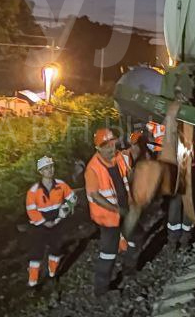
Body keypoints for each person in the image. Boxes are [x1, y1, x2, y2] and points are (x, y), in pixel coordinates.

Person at [85, 128, 133, 299]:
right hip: (108, 218)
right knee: (108, 253)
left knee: (132, 239)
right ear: (98, 148)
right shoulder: (93, 168)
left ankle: (129, 270)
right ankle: (101, 290)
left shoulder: (118, 158)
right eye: (107, 146)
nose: (112, 149)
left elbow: (129, 172)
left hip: (124, 210)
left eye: (113, 144)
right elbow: (95, 196)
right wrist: (116, 209)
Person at [25, 155, 75, 287]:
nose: (50, 170)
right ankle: (33, 281)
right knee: (36, 252)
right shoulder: (33, 191)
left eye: (51, 167)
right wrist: (43, 222)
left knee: (56, 249)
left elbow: (72, 198)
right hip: (40, 226)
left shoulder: (61, 185)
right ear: (41, 172)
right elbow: (31, 210)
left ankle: (53, 273)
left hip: (57, 223)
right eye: (46, 168)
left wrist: (63, 212)